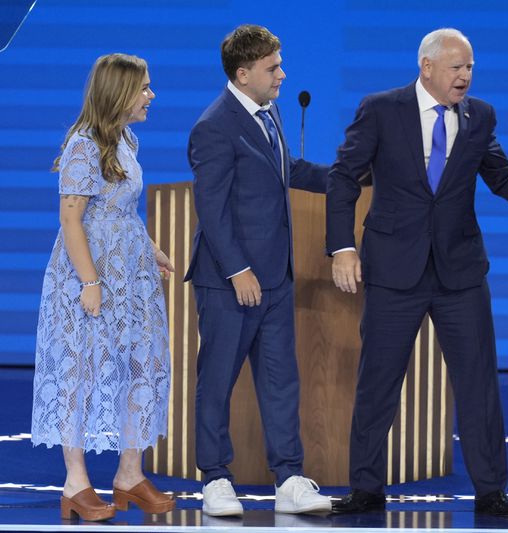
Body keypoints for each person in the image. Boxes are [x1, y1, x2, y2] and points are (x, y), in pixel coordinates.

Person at [327, 28, 508, 516]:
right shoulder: (381, 109)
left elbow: (502, 176)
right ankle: (366, 486)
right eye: (456, 67)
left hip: (460, 273)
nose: (465, 76)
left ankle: (491, 490)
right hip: (392, 269)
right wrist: (342, 247)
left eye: (470, 67)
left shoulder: (480, 116)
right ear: (426, 67)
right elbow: (344, 177)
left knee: (478, 384)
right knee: (378, 380)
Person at [184, 24, 331, 516]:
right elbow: (212, 207)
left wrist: (351, 175)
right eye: (273, 68)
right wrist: (237, 270)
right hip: (231, 282)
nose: (282, 75)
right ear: (243, 74)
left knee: (280, 380)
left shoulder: (270, 113)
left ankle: (288, 477)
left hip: (275, 279)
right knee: (218, 379)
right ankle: (215, 479)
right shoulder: (214, 125)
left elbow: (289, 170)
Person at [31, 53, 176, 521]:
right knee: (80, 370)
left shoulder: (126, 140)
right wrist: (89, 282)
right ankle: (76, 484)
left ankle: (129, 475)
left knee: (140, 360)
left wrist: (150, 248)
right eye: (145, 88)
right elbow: (71, 218)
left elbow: (120, 208)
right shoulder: (82, 145)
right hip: (89, 274)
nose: (151, 96)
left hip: (130, 274)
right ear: (120, 93)